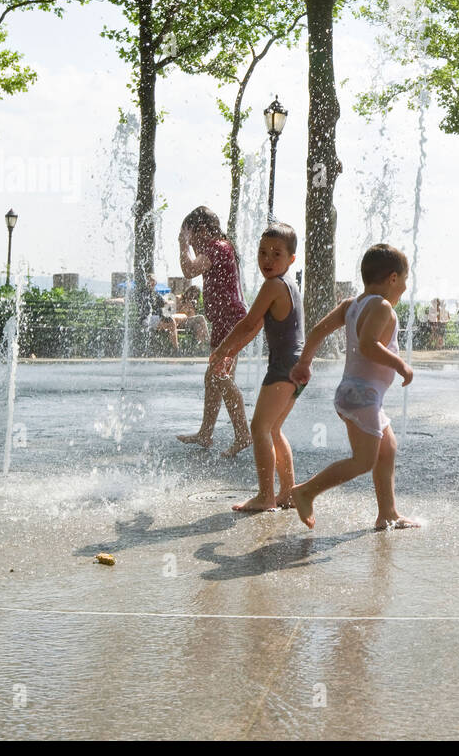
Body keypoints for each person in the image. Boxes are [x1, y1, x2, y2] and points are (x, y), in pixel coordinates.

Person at [288, 244, 419, 531]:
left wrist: (304, 363)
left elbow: (318, 330)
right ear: (393, 278)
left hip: (354, 393)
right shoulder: (382, 307)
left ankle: (388, 513)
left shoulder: (351, 305)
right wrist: (400, 365)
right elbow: (369, 345)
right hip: (363, 396)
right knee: (362, 462)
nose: (405, 288)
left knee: (387, 449)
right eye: (405, 281)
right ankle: (306, 491)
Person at [209, 223, 305, 512]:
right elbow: (257, 325)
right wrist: (231, 352)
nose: (267, 259)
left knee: (259, 427)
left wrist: (222, 351)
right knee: (273, 428)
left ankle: (266, 496)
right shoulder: (288, 285)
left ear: (291, 259)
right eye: (262, 252)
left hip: (283, 367)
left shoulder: (274, 285)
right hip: (296, 367)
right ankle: (287, 492)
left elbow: (249, 322)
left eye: (277, 254)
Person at [176, 206, 250, 457]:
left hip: (230, 323)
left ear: (204, 230)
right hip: (224, 324)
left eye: (192, 236)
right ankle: (205, 434)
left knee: (219, 376)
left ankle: (243, 434)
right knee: (213, 379)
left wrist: (182, 245)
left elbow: (189, 270)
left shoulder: (217, 247)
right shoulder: (220, 247)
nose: (192, 243)